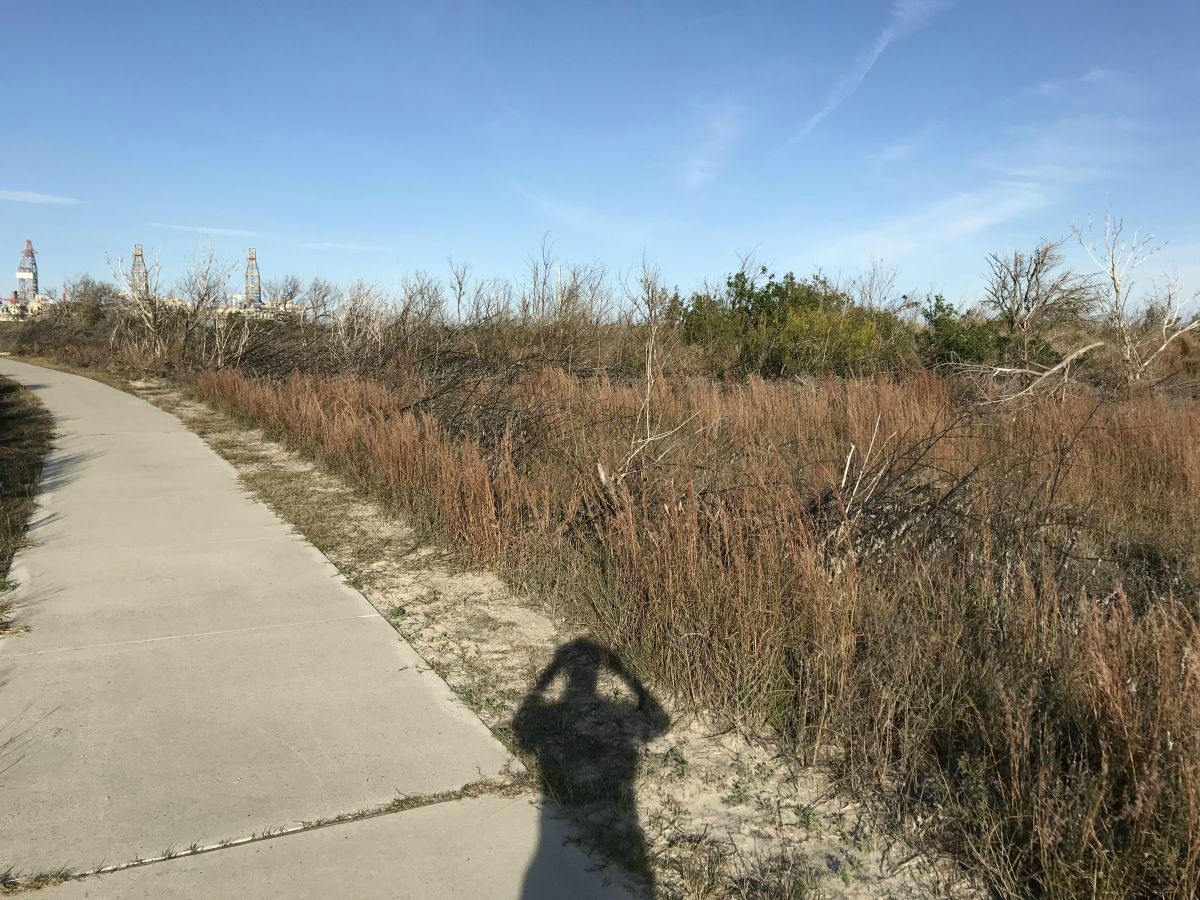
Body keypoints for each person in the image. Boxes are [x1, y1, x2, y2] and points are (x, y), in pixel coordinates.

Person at [514, 638, 669, 898]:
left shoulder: (557, 711)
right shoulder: (612, 711)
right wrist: (631, 681)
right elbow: (660, 722)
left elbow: (524, 732)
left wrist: (539, 690)